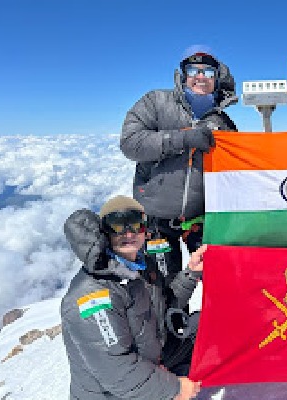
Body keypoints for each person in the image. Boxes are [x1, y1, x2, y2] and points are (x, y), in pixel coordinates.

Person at [120, 45, 238, 370]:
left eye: (208, 71)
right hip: (158, 219)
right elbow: (130, 143)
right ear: (182, 75)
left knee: (222, 278)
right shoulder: (155, 103)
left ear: (218, 78)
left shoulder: (223, 122)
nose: (201, 76)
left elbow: (237, 170)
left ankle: (222, 341)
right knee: (167, 290)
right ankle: (174, 351)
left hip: (204, 218)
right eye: (194, 69)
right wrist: (184, 139)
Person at [61, 195, 203, 400]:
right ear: (104, 232)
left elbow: (165, 306)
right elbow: (116, 371)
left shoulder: (138, 267)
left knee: (204, 325)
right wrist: (175, 388)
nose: (129, 232)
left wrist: (191, 273)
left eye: (136, 223)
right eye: (117, 224)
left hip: (152, 361)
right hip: (114, 394)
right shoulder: (92, 295)